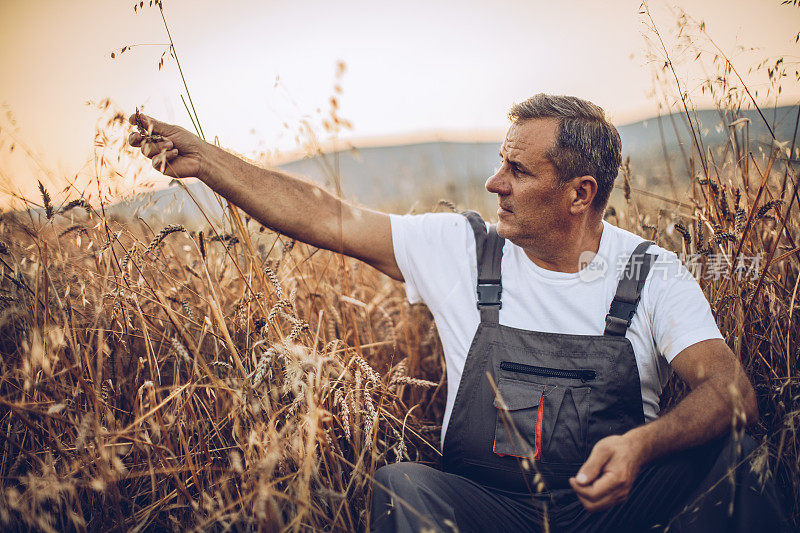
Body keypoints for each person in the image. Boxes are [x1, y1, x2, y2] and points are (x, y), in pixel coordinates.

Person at [128, 94, 787, 532]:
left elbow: (732, 392)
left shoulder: (651, 273)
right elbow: (326, 213)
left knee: (745, 457)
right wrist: (207, 162)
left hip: (614, 513)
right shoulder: (460, 248)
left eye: (517, 169)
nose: (494, 182)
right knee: (403, 486)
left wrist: (642, 446)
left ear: (579, 193)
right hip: (489, 512)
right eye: (500, 162)